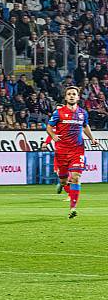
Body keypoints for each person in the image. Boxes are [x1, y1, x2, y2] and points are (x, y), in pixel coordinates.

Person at [46, 86, 98, 219]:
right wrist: (52, 136)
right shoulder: (59, 113)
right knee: (64, 180)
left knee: (75, 177)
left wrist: (92, 138)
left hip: (77, 149)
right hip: (62, 151)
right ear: (65, 97)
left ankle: (73, 208)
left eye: (74, 94)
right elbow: (49, 126)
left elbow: (85, 126)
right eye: (69, 94)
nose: (71, 96)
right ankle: (63, 185)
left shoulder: (82, 113)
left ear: (78, 97)